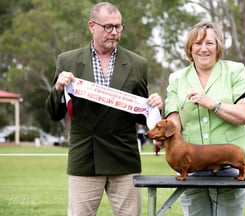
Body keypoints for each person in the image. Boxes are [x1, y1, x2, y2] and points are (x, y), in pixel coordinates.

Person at [45, 2, 163, 216]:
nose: (115, 32)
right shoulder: (67, 60)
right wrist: (58, 88)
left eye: (118, 27)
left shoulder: (138, 64)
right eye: (108, 27)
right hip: (85, 158)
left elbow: (140, 112)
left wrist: (153, 106)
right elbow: (54, 114)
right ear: (92, 26)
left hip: (124, 158)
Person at [164, 21, 245, 216]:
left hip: (230, 166)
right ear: (190, 48)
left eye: (209, 43)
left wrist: (213, 104)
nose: (203, 48)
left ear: (218, 46)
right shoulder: (176, 79)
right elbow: (174, 121)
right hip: (190, 166)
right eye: (197, 43)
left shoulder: (235, 71)